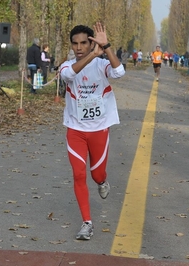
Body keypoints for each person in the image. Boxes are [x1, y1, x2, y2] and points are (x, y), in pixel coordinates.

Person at [59, 22, 125, 240]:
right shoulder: (67, 66)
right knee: (78, 174)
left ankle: (102, 181)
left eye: (84, 43)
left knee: (96, 174)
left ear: (91, 43)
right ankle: (87, 223)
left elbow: (119, 72)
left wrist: (106, 48)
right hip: (75, 130)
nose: (79, 47)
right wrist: (92, 55)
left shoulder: (101, 65)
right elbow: (69, 75)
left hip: (99, 129)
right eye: (75, 44)